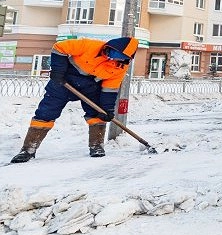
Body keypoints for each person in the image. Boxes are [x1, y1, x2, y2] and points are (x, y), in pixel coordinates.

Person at [10, 36, 138, 163]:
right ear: (109, 47)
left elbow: (110, 89)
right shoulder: (88, 45)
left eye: (121, 57)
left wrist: (107, 109)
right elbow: (59, 48)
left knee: (98, 114)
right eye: (114, 53)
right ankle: (28, 149)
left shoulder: (119, 67)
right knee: (46, 112)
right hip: (62, 82)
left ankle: (96, 146)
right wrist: (58, 71)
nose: (114, 58)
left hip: (90, 88)